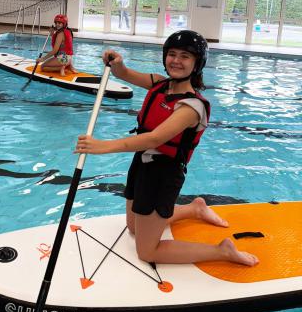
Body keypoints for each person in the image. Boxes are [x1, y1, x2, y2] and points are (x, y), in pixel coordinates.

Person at [75, 30, 259, 267]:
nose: (176, 60)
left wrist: (102, 146)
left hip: (163, 174)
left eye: (185, 56)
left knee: (147, 251)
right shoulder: (160, 83)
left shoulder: (191, 107)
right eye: (172, 54)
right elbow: (126, 74)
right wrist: (118, 63)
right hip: (142, 162)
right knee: (132, 227)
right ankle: (194, 208)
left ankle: (221, 251)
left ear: (197, 63)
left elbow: (154, 139)